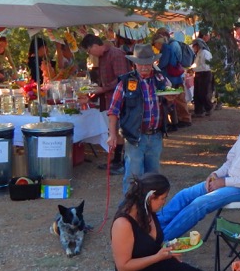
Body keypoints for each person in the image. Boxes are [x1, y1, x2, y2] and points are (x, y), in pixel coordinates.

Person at [157, 95, 240, 241]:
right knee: (185, 195)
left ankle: (161, 240)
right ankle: (153, 229)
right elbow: (229, 162)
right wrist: (216, 174)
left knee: (199, 204)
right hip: (230, 181)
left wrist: (224, 182)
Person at [111, 173, 201, 271]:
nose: (164, 202)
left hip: (158, 264)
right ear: (151, 197)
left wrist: (168, 251)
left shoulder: (147, 210)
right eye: (163, 198)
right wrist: (158, 257)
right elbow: (123, 267)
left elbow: (154, 245)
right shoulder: (123, 224)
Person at [107, 44, 164, 195]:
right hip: (134, 138)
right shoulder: (125, 82)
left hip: (156, 135)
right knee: (133, 177)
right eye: (141, 63)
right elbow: (113, 110)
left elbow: (170, 97)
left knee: (154, 177)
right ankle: (129, 211)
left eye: (147, 63)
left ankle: (151, 211)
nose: (144, 67)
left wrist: (171, 99)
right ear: (134, 64)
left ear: (153, 63)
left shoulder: (160, 79)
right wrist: (112, 135)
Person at [83, 33, 131, 174]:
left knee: (120, 131)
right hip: (110, 99)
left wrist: (102, 89)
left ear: (95, 46)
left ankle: (122, 162)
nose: (89, 54)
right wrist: (94, 94)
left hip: (120, 100)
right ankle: (116, 160)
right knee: (114, 130)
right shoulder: (103, 56)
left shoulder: (116, 54)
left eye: (89, 50)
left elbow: (122, 79)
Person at [153, 30, 192, 128]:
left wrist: (156, 68)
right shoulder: (169, 47)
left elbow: (164, 63)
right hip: (175, 78)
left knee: (175, 100)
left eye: (155, 45)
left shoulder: (166, 48)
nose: (155, 47)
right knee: (176, 100)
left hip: (172, 79)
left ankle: (183, 120)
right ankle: (179, 120)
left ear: (158, 43)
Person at [192, 38, 214, 118]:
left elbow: (205, 66)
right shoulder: (199, 53)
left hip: (204, 74)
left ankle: (209, 107)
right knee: (197, 94)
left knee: (203, 93)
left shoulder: (205, 53)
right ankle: (198, 111)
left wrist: (193, 69)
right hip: (198, 74)